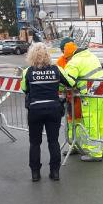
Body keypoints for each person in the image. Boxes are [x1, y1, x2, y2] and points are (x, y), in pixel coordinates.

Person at [22, 42, 70, 182]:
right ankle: (55, 172)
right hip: (53, 109)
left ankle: (35, 174)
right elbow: (70, 82)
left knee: (35, 143)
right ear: (48, 55)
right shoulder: (56, 69)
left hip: (35, 109)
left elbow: (24, 89)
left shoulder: (28, 71)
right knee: (53, 141)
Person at [62, 40, 103, 162]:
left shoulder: (74, 62)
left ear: (69, 56)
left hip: (91, 95)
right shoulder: (90, 55)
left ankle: (94, 152)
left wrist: (58, 87)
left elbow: (68, 81)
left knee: (91, 122)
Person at [57, 38, 82, 155]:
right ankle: (73, 144)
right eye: (63, 50)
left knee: (80, 120)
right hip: (68, 97)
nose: (64, 52)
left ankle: (80, 144)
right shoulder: (60, 61)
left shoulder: (77, 60)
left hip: (78, 96)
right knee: (71, 120)